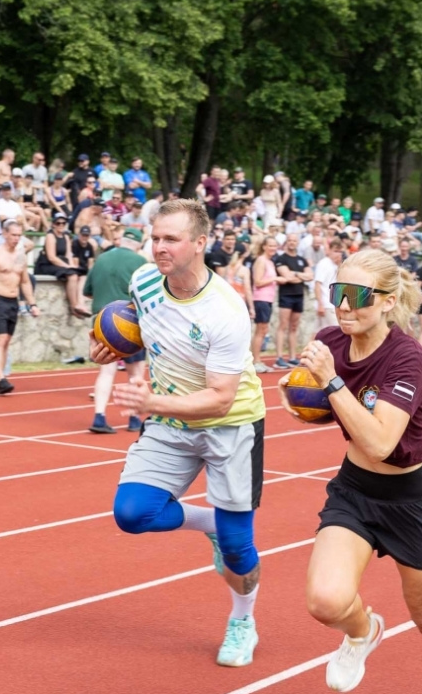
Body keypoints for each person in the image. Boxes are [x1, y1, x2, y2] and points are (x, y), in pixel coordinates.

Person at [299, 248, 422, 694]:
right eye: (338, 292)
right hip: (354, 490)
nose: (343, 305)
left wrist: (330, 382)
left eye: (357, 295)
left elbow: (381, 442)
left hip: (409, 499)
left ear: (387, 301)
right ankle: (363, 631)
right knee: (325, 602)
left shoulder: (406, 356)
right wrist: (299, 396)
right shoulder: (329, 341)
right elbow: (318, 404)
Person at [95, 198, 268, 669]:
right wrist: (109, 342)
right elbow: (136, 323)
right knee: (133, 513)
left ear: (200, 243)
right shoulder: (143, 280)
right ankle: (208, 522)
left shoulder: (226, 310)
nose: (159, 247)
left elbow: (220, 399)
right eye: (155, 238)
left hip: (230, 425)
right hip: (171, 421)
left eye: (171, 239)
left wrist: (151, 404)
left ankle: (243, 620)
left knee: (239, 548)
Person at [84, 227, 149, 433]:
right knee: (135, 371)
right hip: (130, 322)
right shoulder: (140, 262)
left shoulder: (101, 259)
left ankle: (99, 416)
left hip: (102, 320)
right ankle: (134, 418)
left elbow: (88, 291)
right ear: (138, 244)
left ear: (121, 241)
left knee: (106, 370)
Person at [0, 218, 38, 394]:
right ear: (4, 234)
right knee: (0, 339)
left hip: (12, 301)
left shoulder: (20, 256)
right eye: (13, 235)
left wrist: (32, 303)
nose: (16, 239)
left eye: (19, 235)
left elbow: (24, 281)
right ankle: (1, 378)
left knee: (6, 341)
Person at [272, 232, 311, 367]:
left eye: (294, 240)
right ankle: (279, 357)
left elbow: (310, 276)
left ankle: (292, 357)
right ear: (286, 242)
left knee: (294, 327)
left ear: (298, 242)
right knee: (283, 325)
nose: (292, 242)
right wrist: (300, 276)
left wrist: (294, 274)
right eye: (289, 240)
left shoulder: (302, 260)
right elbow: (287, 276)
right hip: (286, 295)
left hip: (299, 295)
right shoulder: (281, 259)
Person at [249, 235, 282, 372]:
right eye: (270, 245)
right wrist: (275, 278)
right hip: (260, 299)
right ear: (264, 247)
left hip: (268, 299)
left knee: (263, 330)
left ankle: (256, 360)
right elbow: (257, 282)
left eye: (275, 245)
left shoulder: (270, 262)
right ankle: (255, 361)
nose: (273, 248)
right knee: (261, 330)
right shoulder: (261, 260)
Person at [312, 239, 344, 332]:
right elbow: (317, 284)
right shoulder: (324, 263)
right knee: (335, 331)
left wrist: (339, 264)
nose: (338, 254)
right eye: (335, 251)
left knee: (319, 332)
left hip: (331, 303)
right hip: (326, 304)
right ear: (329, 250)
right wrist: (320, 304)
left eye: (340, 251)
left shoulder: (335, 265)